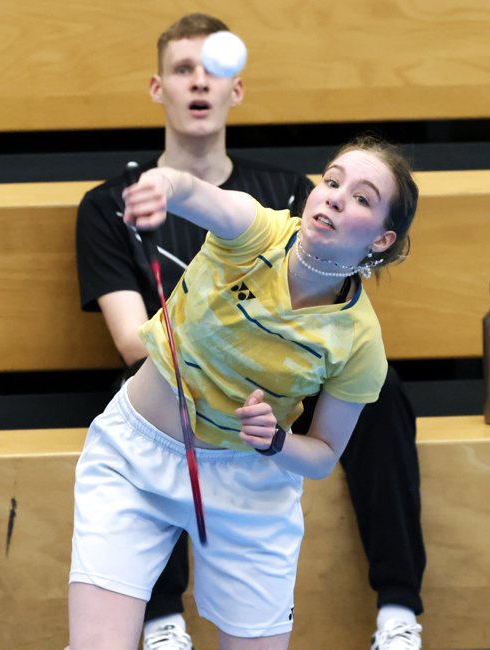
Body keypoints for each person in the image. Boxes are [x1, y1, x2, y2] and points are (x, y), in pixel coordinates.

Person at [74, 13, 425, 650]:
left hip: (250, 483)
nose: (335, 196)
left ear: (381, 238)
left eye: (361, 197)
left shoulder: (360, 342)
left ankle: (399, 611)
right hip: (140, 453)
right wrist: (161, 186)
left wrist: (274, 446)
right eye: (332, 179)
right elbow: (197, 193)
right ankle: (160, 622)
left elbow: (320, 456)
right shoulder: (259, 225)